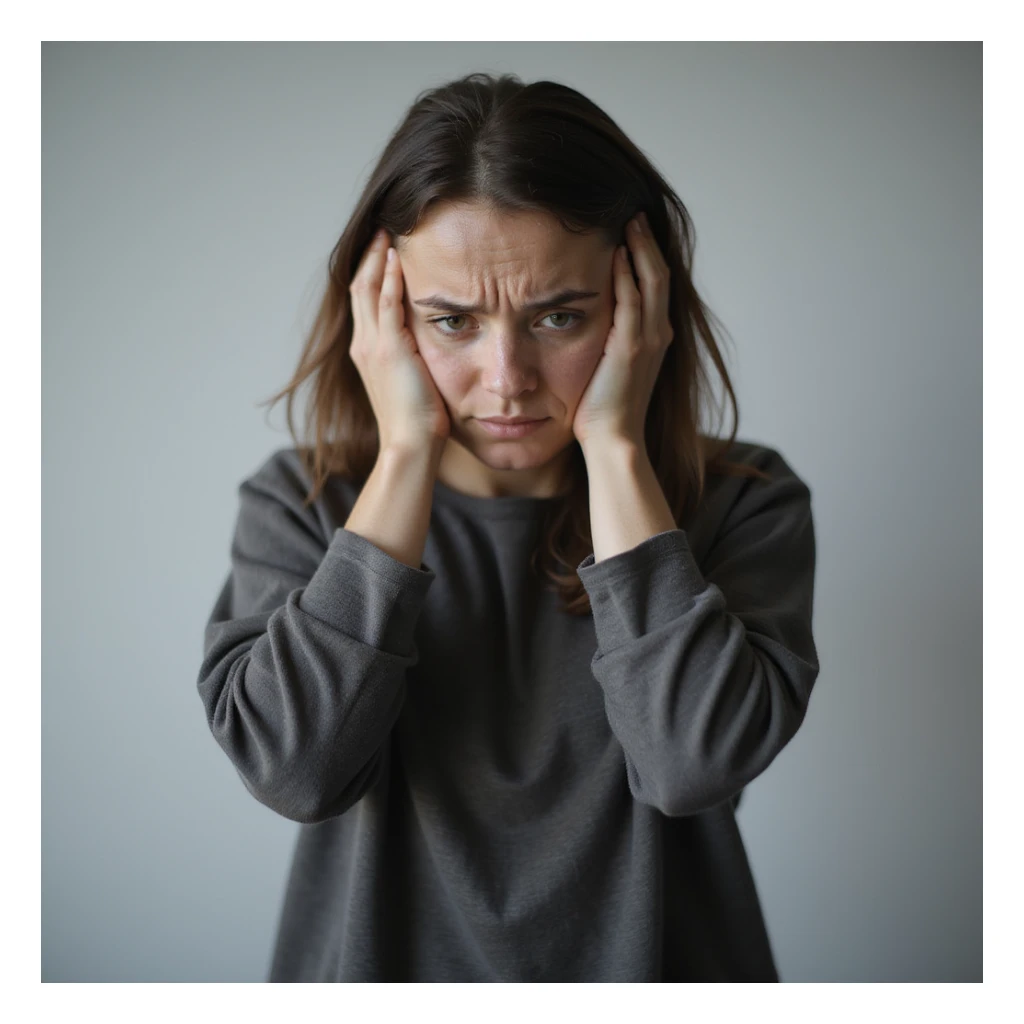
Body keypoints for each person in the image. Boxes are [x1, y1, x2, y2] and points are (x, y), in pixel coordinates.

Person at [197, 71, 820, 983]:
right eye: (451, 321)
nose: (508, 378)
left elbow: (693, 765)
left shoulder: (741, 502)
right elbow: (297, 772)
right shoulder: (304, 505)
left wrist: (614, 448)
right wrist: (405, 453)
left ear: (640, 305)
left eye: (558, 316)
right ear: (382, 316)